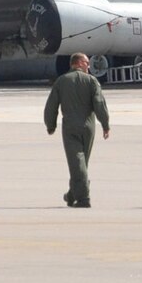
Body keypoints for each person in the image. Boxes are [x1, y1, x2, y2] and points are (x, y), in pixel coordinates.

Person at [44, 53, 110, 207]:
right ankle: (72, 194)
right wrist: (105, 124)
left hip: (70, 127)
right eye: (87, 62)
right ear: (79, 63)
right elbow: (99, 104)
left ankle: (83, 198)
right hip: (88, 127)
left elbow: (51, 106)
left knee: (77, 162)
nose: (89, 66)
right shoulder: (92, 81)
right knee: (81, 162)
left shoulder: (62, 81)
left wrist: (50, 125)